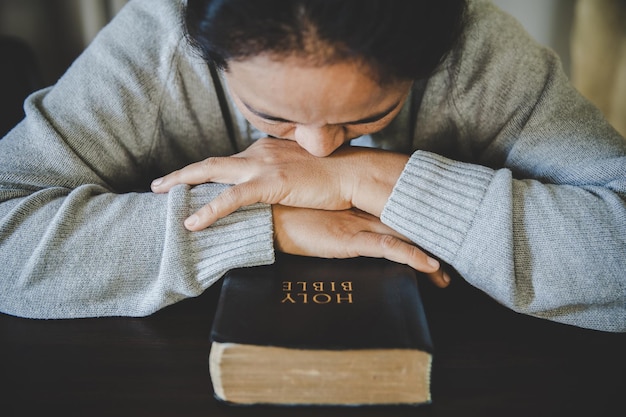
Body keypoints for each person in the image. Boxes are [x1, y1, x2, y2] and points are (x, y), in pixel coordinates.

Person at [0, 0, 624, 332]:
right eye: (269, 114)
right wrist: (262, 221)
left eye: (365, 115)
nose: (317, 148)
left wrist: (364, 178)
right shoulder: (155, 46)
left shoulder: (479, 50)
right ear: (209, 57)